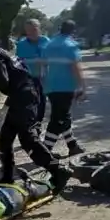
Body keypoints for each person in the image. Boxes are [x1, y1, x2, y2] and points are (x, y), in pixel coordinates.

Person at [0, 26, 73, 193]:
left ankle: (58, 170)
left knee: (28, 139)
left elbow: (3, 82)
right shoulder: (0, 53)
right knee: (5, 139)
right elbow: (17, 78)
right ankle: (7, 176)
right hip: (23, 96)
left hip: (25, 99)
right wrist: (6, 102)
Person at [42, 19, 87, 157]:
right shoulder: (70, 45)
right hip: (66, 86)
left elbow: (43, 65)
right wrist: (82, 87)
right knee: (58, 119)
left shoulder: (49, 44)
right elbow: (75, 68)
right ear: (73, 31)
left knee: (63, 116)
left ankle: (73, 146)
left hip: (51, 87)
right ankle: (45, 151)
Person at [16, 18, 51, 122]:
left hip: (43, 79)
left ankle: (38, 125)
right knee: (29, 105)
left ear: (39, 29)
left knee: (41, 103)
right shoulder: (21, 44)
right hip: (28, 80)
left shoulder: (46, 42)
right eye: (28, 30)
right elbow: (18, 62)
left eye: (34, 29)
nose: (31, 33)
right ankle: (30, 125)